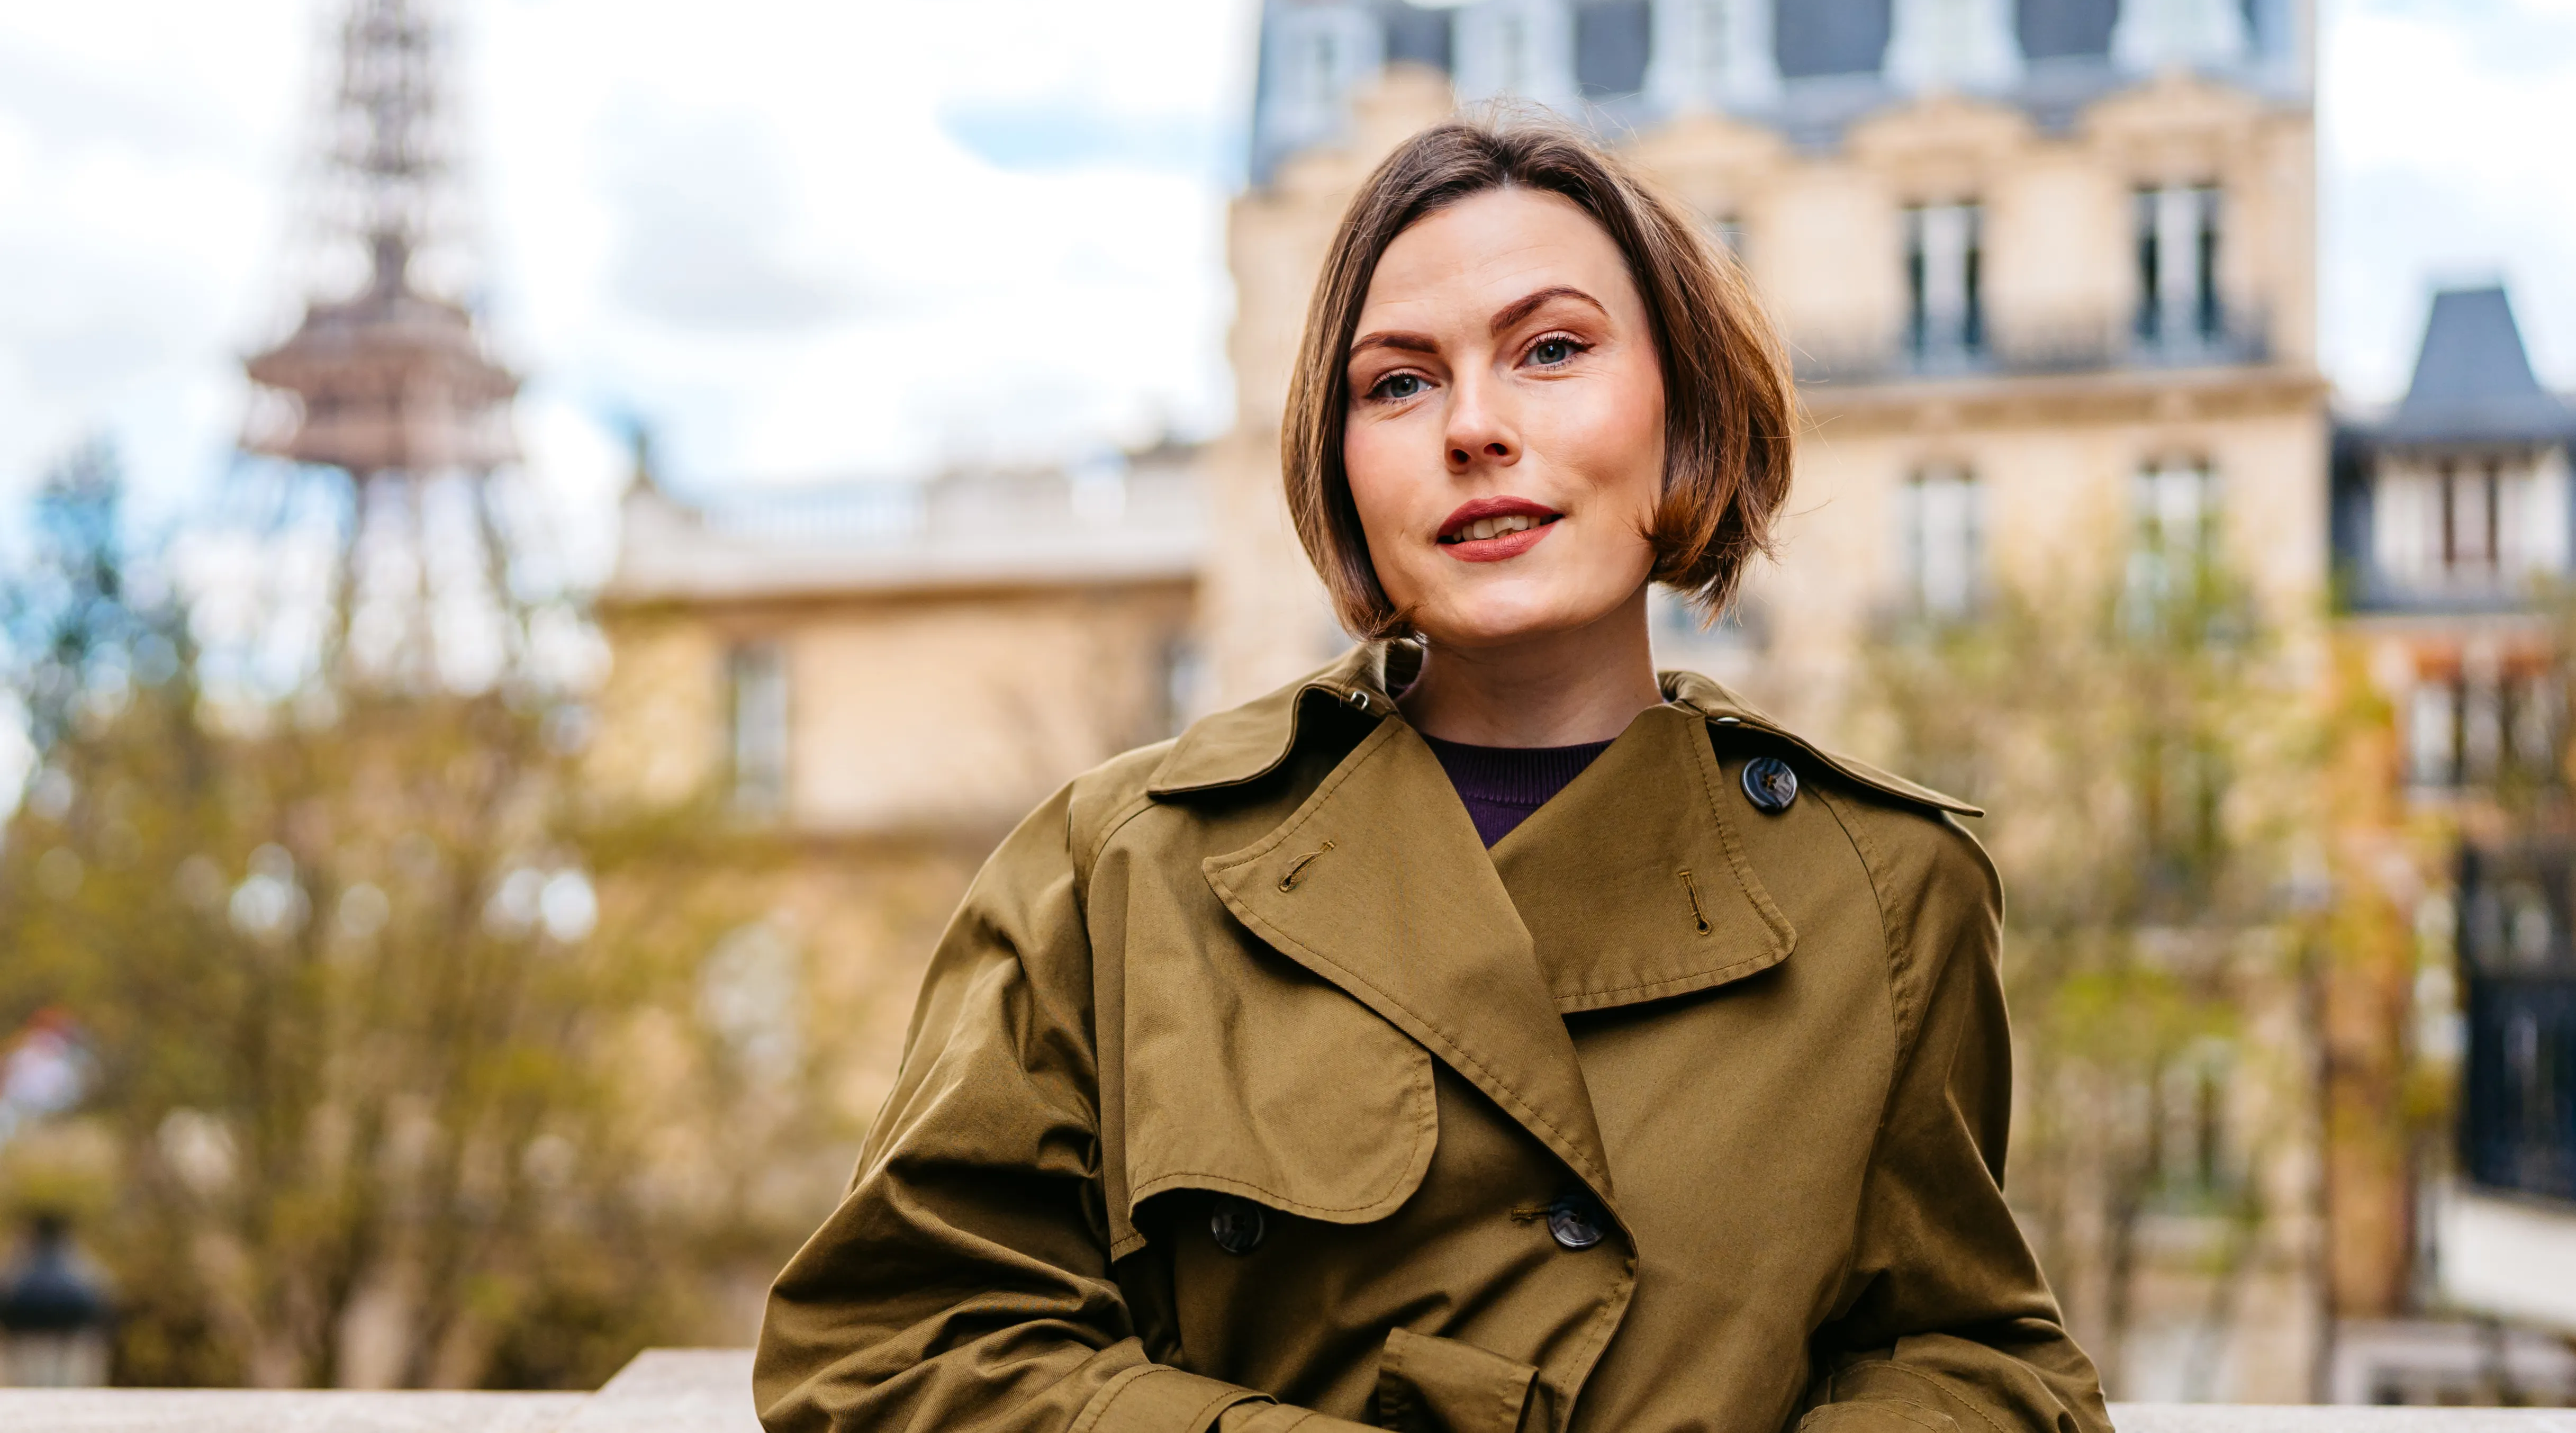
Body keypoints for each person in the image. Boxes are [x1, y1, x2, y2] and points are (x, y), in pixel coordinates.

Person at [753, 117, 2108, 1433]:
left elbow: (1976, 1354)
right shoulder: (1122, 862)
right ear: (1342, 466)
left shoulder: (1885, 890)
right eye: (1398, 381)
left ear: (1684, 406)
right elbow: (896, 1347)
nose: (1473, 425)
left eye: (1553, 350)